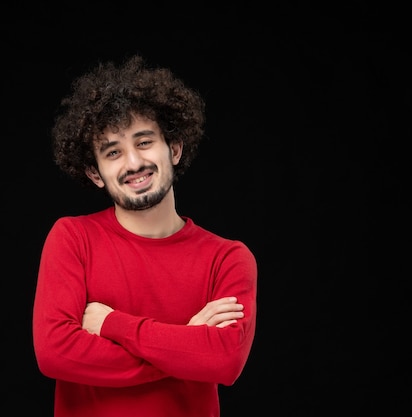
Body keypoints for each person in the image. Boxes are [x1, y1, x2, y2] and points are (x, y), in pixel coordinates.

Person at [32, 54, 258, 417]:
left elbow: (225, 360)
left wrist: (110, 323)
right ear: (95, 173)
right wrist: (185, 346)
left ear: (174, 148)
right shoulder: (72, 238)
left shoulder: (228, 258)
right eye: (113, 152)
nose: (133, 163)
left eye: (143, 141)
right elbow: (54, 352)